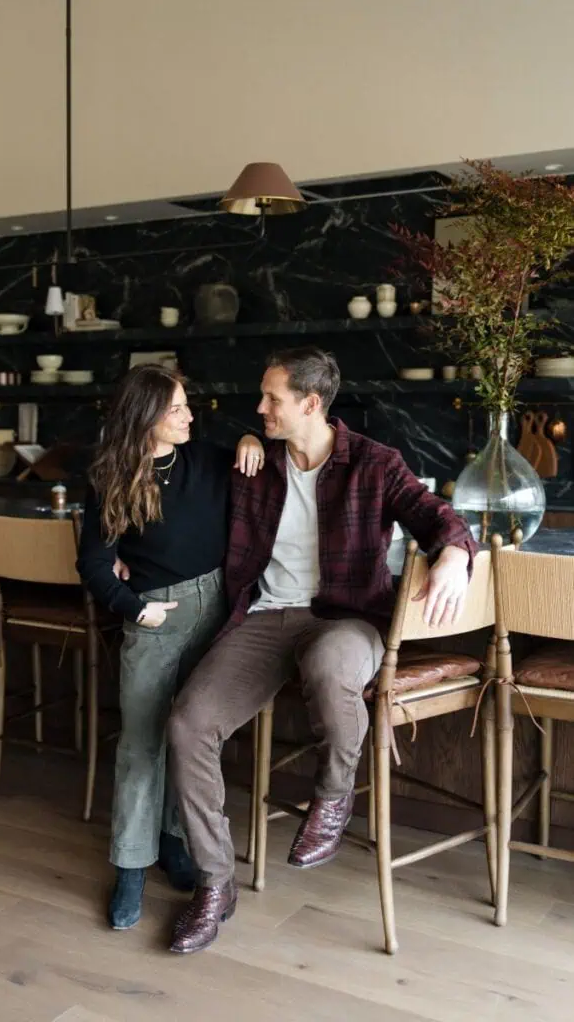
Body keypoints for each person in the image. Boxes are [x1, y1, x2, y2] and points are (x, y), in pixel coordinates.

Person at [166, 346, 476, 954]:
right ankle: (215, 882)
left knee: (332, 667)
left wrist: (457, 555)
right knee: (186, 724)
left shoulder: (374, 464)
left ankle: (333, 799)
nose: (259, 409)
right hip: (263, 618)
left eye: (271, 400)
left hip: (345, 618)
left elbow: (436, 513)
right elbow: (179, 487)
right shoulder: (255, 462)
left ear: (311, 403)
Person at [76, 363, 264, 931]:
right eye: (176, 408)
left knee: (192, 740)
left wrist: (253, 438)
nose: (188, 416)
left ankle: (175, 842)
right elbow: (90, 560)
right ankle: (131, 866)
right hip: (156, 615)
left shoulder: (208, 460)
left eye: (187, 405)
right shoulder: (112, 477)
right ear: (145, 416)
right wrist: (137, 607)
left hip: (219, 613)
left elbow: (266, 463)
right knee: (140, 745)